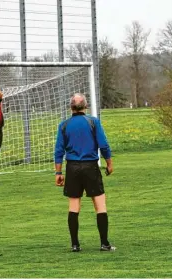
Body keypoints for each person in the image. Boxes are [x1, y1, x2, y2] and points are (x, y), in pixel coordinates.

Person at [54, 93, 115, 252]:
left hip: (72, 168)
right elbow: (104, 145)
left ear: (70, 107)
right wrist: (109, 163)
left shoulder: (64, 125)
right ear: (86, 106)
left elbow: (59, 151)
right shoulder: (93, 122)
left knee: (74, 206)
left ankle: (75, 245)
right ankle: (104, 243)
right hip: (90, 166)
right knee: (100, 205)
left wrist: (58, 173)